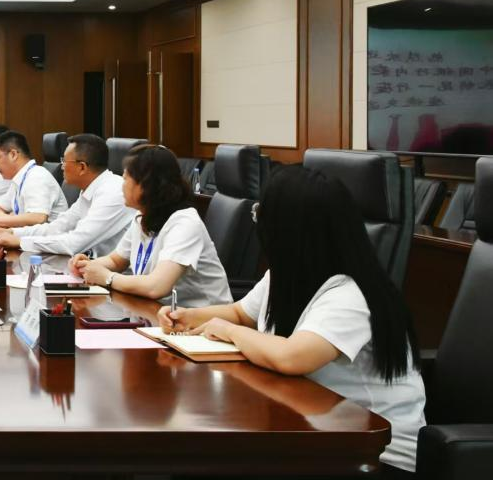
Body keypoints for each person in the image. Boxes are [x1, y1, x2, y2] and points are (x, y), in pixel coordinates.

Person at [159, 165, 425, 475]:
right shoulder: (288, 274)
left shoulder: (351, 293)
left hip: (377, 457)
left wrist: (227, 330)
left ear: (289, 231)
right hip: (317, 436)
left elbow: (292, 357)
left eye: (261, 216)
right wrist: (189, 317)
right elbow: (242, 313)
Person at [72, 145, 231, 307]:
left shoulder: (185, 223)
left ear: (146, 185)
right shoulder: (141, 216)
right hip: (156, 311)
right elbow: (116, 260)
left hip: (202, 317)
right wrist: (88, 266)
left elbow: (156, 287)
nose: (122, 186)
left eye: (126, 179)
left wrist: (107, 278)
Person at [0, 133, 134, 257]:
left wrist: (21, 241)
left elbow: (74, 243)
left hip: (118, 274)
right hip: (90, 264)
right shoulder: (89, 190)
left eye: (64, 161)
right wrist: (13, 232)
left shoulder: (112, 192)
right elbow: (58, 227)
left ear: (82, 167)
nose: (62, 166)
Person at [0, 130, 68, 230]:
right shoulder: (19, 178)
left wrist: (1, 221)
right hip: (27, 236)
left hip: (48, 237)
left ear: (13, 155)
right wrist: (10, 221)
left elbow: (38, 218)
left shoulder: (37, 176)